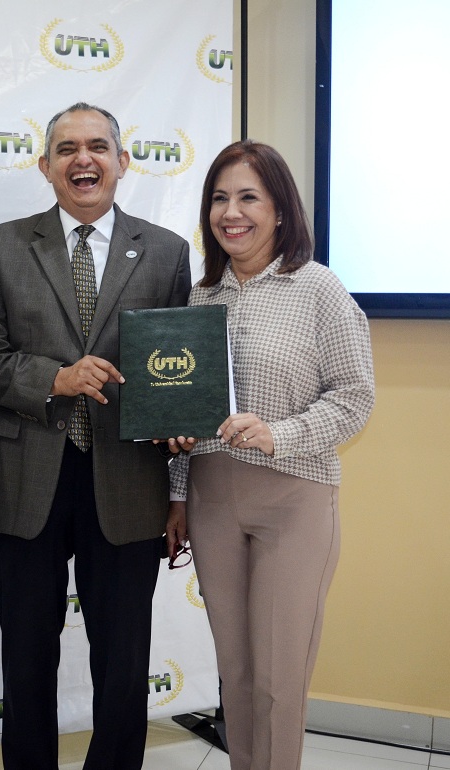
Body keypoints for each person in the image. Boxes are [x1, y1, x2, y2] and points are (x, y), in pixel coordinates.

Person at [0, 102, 191, 770]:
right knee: (26, 658)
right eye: (66, 149)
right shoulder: (1, 246)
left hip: (128, 484)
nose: (82, 159)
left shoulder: (168, 252)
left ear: (122, 161)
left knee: (123, 662)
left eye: (97, 147)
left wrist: (180, 458)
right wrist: (55, 378)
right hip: (26, 480)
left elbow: (176, 371)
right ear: (45, 166)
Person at [165, 140, 375, 770]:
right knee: (236, 672)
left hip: (295, 499)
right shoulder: (199, 298)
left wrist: (281, 433)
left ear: (280, 209)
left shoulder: (319, 289)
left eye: (249, 197)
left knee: (280, 676)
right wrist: (176, 491)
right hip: (210, 500)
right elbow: (182, 411)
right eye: (220, 199)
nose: (232, 212)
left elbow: (356, 396)